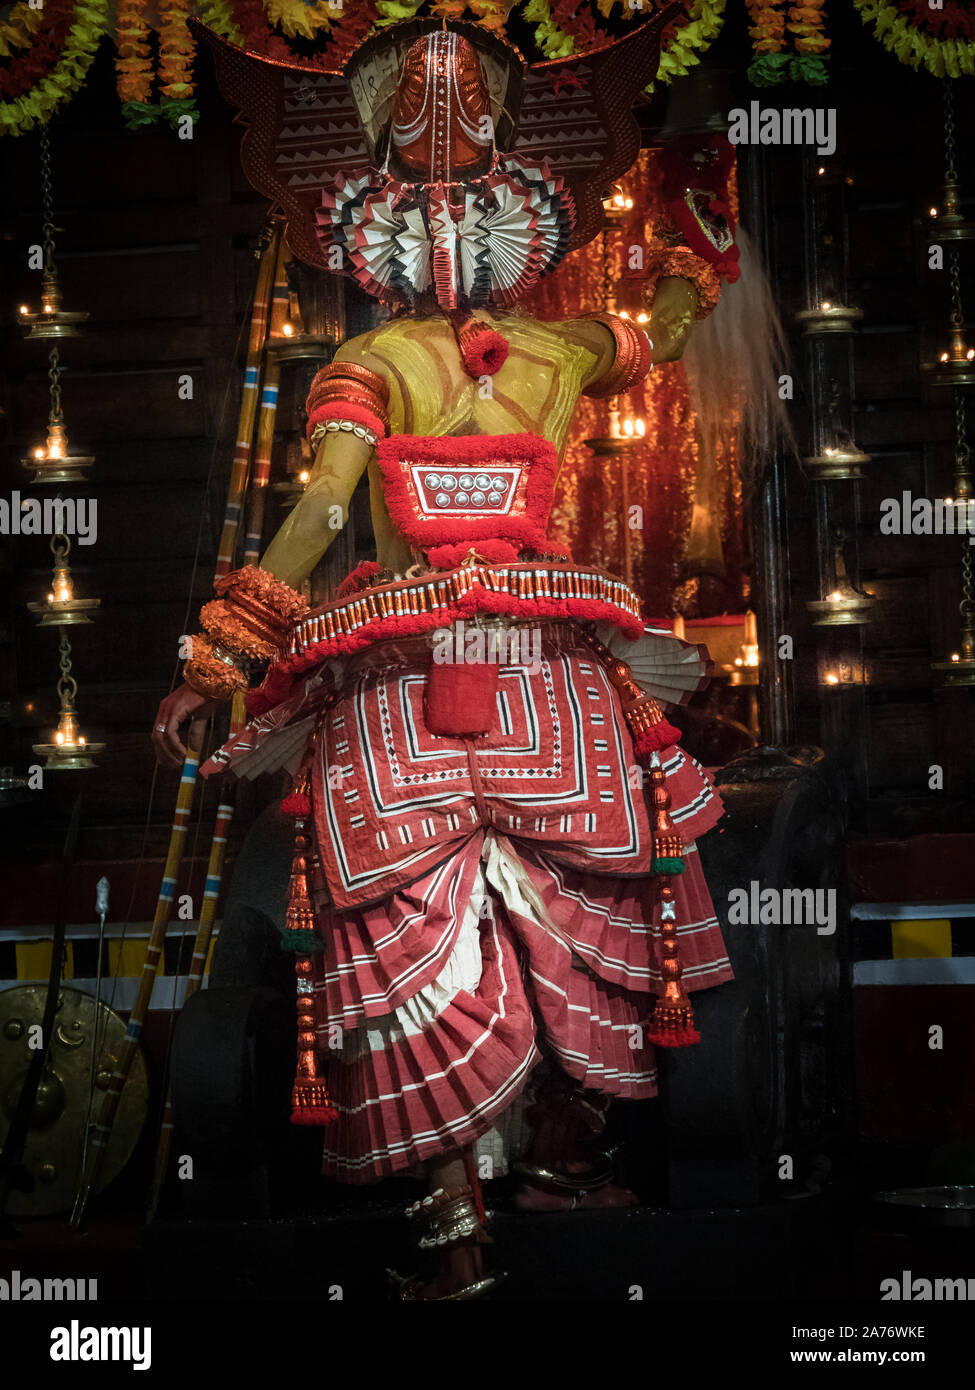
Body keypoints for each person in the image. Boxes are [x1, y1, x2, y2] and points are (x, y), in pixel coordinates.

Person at [153, 13, 737, 1299]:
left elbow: (315, 519)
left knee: (408, 919)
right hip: (558, 670)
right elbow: (671, 325)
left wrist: (218, 659)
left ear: (376, 238)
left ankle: (449, 1210)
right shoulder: (563, 353)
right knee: (581, 907)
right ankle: (568, 1169)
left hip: (402, 682)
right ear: (520, 225)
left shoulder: (368, 360)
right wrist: (703, 242)